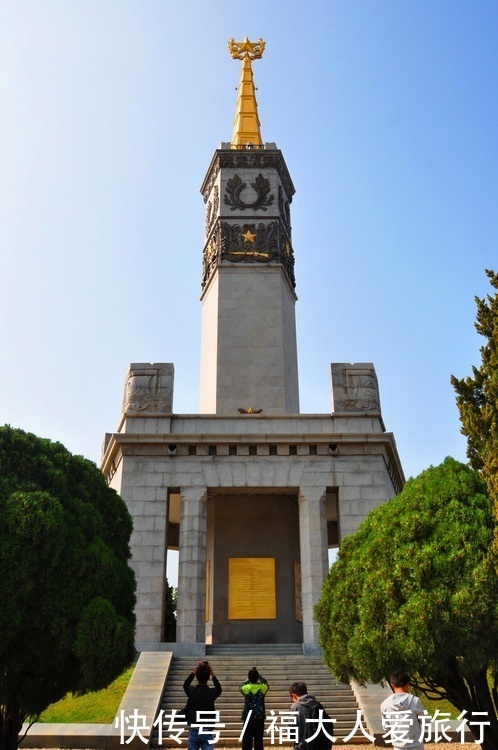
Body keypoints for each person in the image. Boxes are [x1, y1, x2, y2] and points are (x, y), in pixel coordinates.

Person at [183, 661, 222, 750]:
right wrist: (212, 673)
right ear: (208, 678)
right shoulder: (211, 693)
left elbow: (185, 685)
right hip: (207, 729)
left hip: (194, 728)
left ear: (197, 677)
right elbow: (219, 689)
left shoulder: (193, 692)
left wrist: (195, 671)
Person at [380, 671, 425, 749]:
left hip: (398, 747)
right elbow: (425, 722)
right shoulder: (415, 701)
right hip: (416, 746)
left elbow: (386, 728)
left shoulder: (385, 704)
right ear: (408, 684)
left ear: (392, 685)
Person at [290, 681, 332, 750]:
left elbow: (291, 731)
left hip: (303, 746)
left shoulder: (295, 707)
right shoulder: (317, 704)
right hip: (319, 746)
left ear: (294, 695)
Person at [240, 667, 269, 750]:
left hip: (248, 717)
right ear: (257, 677)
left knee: (247, 741)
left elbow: (241, 686)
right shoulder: (262, 688)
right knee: (258, 741)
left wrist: (248, 680)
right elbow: (266, 684)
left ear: (249, 677)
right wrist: (260, 677)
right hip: (259, 717)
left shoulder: (246, 688)